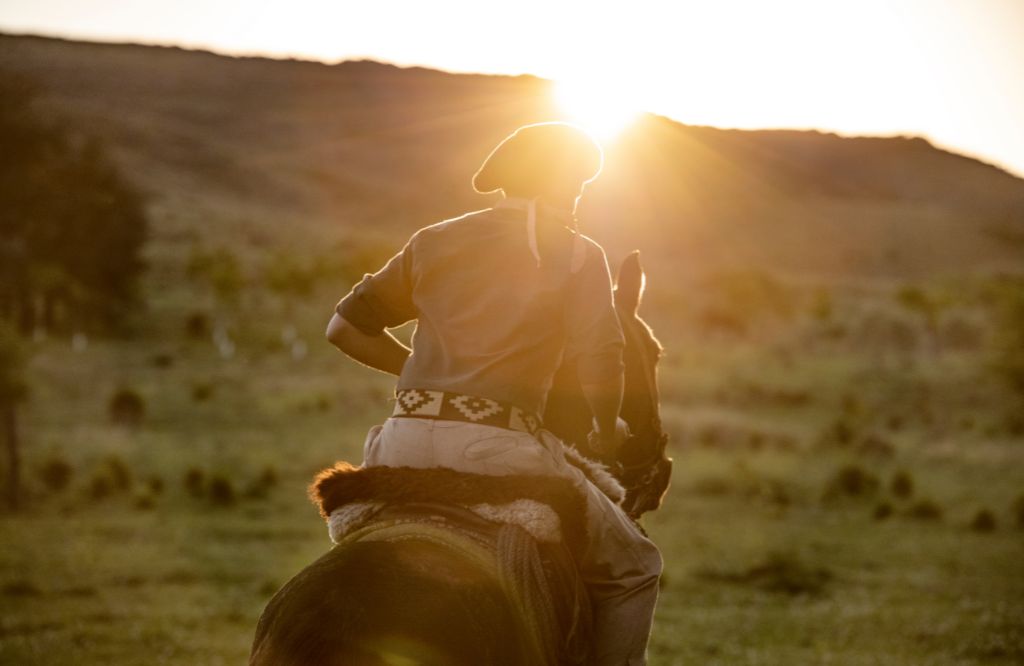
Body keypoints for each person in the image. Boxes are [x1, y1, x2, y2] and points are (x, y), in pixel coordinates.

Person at [326, 122, 662, 665]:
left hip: (397, 443)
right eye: (576, 186)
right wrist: (605, 429)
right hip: (500, 449)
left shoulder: (432, 239)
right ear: (563, 185)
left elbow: (343, 330)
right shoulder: (577, 254)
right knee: (635, 568)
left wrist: (420, 372)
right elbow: (602, 357)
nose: (576, 200)